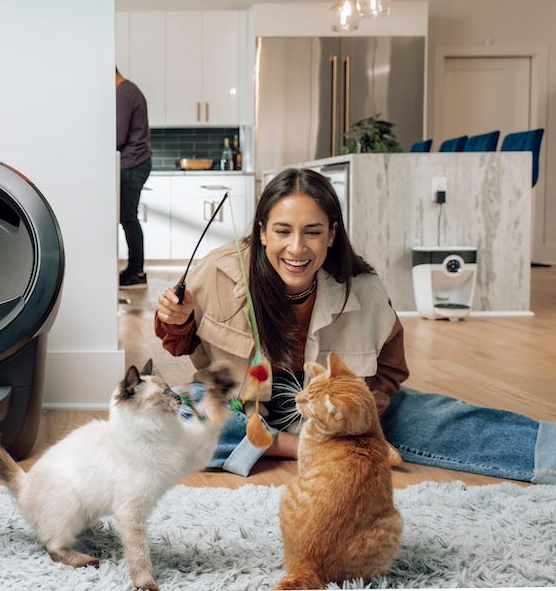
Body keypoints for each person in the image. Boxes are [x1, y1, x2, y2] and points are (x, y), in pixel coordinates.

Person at [154, 167, 556, 483]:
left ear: (331, 235)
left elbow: (390, 370)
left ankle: (547, 452)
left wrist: (356, 421)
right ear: (261, 233)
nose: (297, 248)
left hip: (332, 412)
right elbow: (178, 342)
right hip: (242, 405)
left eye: (312, 232)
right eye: (282, 232)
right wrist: (176, 319)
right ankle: (297, 447)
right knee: (166, 418)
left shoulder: (363, 290)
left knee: (444, 420)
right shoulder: (218, 271)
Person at [116, 68, 152, 288]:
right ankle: (134, 269)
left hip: (132, 164)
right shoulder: (129, 90)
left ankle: (136, 272)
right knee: (128, 217)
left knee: (128, 218)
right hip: (136, 162)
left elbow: (118, 136)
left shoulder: (124, 92)